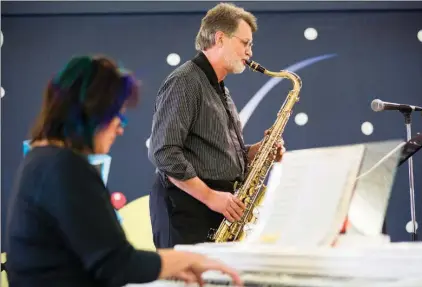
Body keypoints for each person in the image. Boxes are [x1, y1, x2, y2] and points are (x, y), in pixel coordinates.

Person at [4, 55, 243, 287]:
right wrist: (192, 259)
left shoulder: (41, 159)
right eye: (118, 116)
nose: (120, 129)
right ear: (92, 112)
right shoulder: (66, 167)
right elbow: (116, 263)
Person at [148, 3, 285, 249]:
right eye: (245, 43)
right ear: (220, 38)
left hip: (213, 210)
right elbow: (164, 153)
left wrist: (259, 152)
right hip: (187, 211)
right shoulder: (185, 81)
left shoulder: (220, 88)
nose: (250, 52)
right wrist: (211, 197)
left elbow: (215, 152)